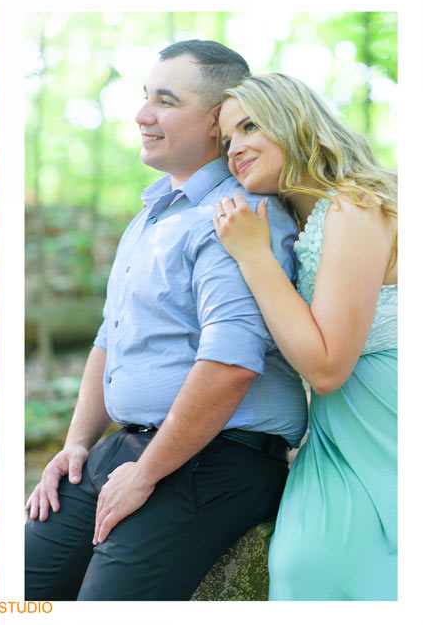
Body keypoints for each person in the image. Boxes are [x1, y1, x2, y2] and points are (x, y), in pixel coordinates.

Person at [24, 41, 308, 601]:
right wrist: (77, 443)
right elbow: (110, 337)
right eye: (144, 97)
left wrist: (149, 472)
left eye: (165, 100)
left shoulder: (238, 217)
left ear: (216, 122)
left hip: (219, 458)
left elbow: (230, 365)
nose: (142, 115)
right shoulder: (151, 214)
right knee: (17, 592)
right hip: (127, 447)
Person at [213, 72, 397, 600]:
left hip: (391, 434)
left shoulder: (355, 204)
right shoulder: (300, 220)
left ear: (294, 119)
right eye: (227, 141)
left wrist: (252, 257)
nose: (235, 149)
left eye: (249, 126)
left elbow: (326, 368)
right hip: (336, 440)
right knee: (300, 564)